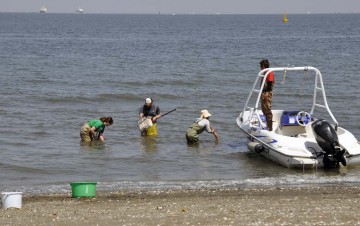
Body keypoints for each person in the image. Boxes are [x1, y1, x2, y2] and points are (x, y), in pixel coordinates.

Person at [259, 59, 275, 131]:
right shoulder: (265, 72)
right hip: (264, 92)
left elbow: (270, 83)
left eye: (261, 66)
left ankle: (270, 128)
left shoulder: (269, 72)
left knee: (267, 111)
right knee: (264, 110)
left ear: (263, 66)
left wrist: (266, 93)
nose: (260, 68)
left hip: (267, 93)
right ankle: (267, 126)